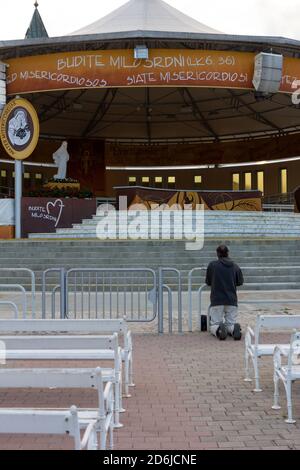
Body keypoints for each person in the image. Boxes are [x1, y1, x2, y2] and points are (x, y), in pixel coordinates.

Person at [206, 245, 244, 341]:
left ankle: (219, 329)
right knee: (230, 323)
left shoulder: (212, 265)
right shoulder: (235, 266)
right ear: (228, 253)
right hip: (231, 299)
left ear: (217, 254)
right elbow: (240, 282)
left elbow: (208, 282)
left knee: (214, 323)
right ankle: (232, 329)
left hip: (217, 299)